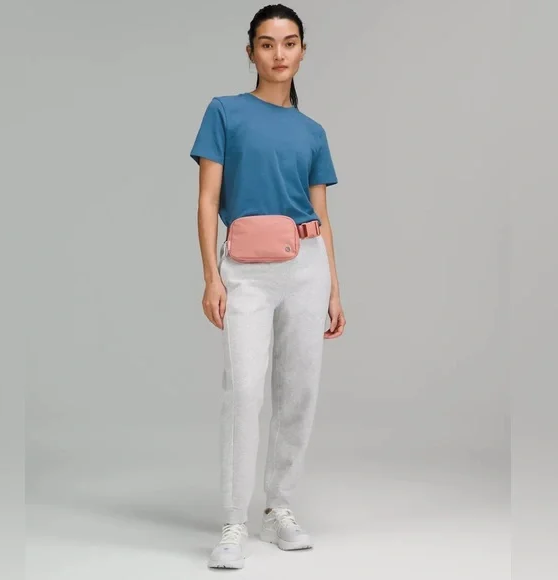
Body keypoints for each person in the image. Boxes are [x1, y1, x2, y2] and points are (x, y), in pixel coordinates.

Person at [189, 4, 346, 570]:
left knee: (299, 391)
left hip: (307, 267)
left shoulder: (313, 131)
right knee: (245, 392)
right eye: (267, 43)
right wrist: (211, 277)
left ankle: (279, 508)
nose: (279, 54)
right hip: (246, 270)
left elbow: (321, 215)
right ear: (251, 51)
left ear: (303, 51)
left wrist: (334, 289)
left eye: (289, 42)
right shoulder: (224, 112)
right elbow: (208, 201)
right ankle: (233, 522)